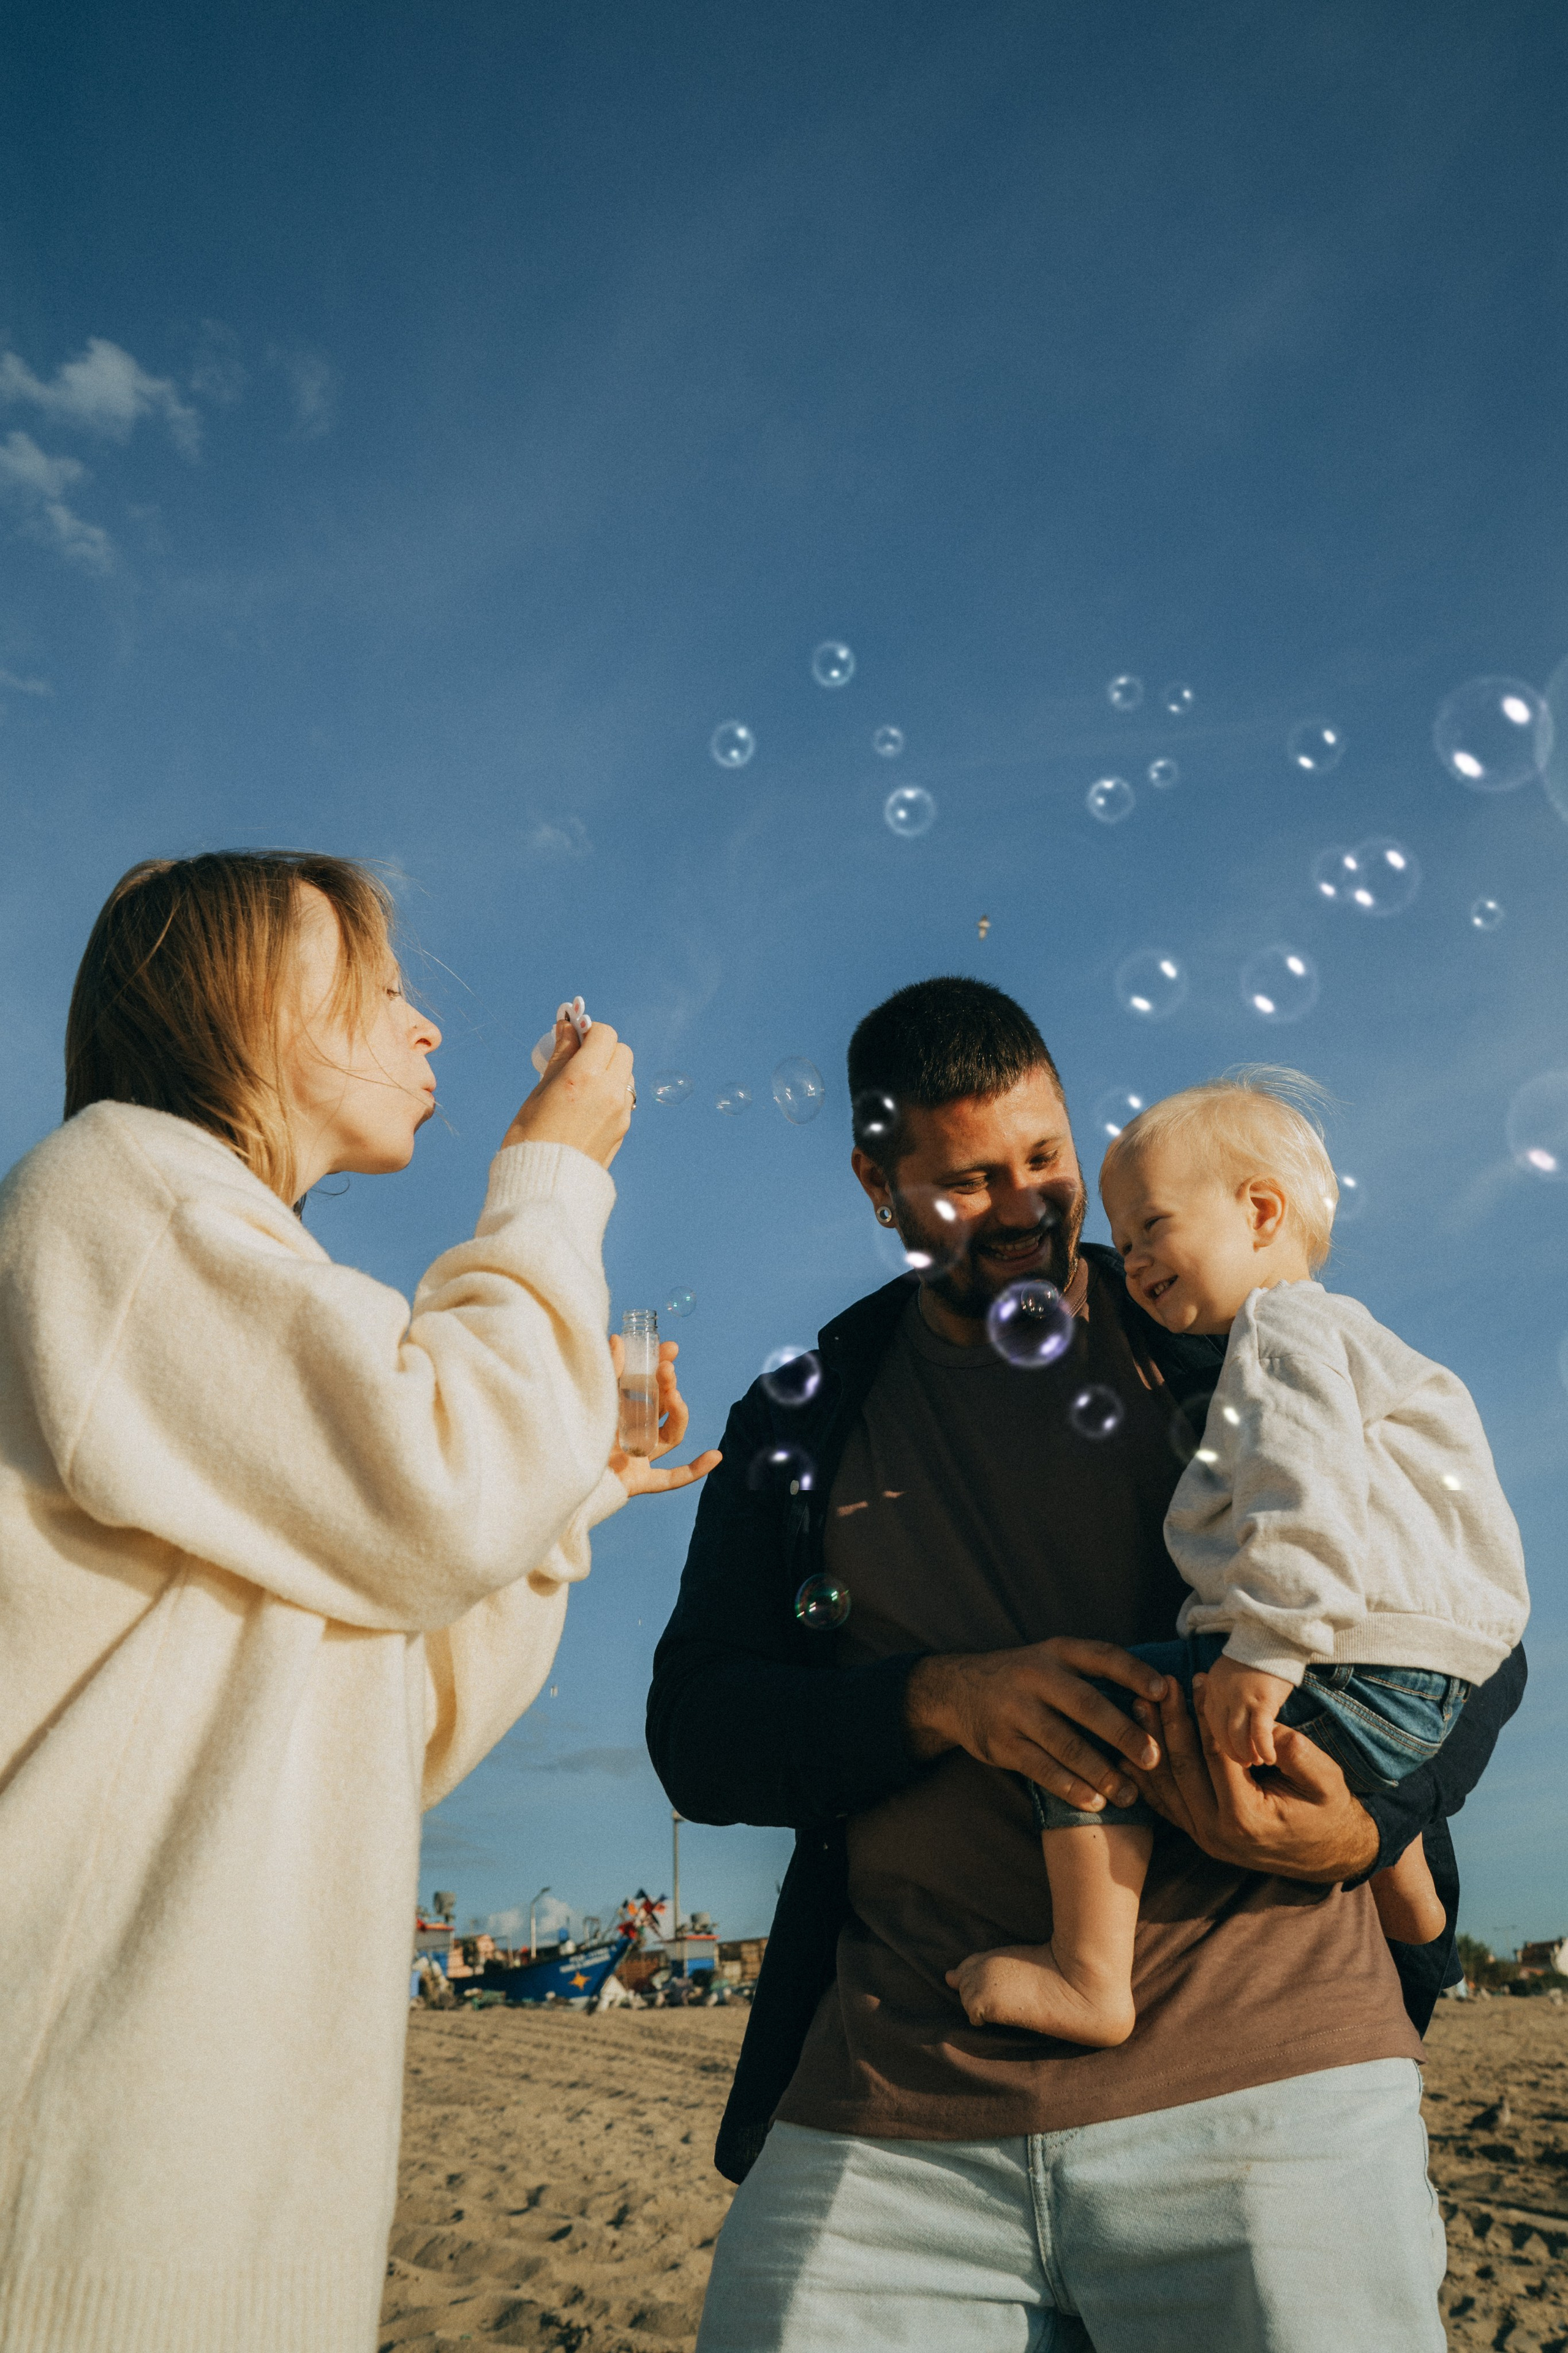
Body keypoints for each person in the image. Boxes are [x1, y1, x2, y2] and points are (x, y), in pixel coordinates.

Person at [647, 976, 1526, 2353]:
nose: (1022, 1204)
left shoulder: (1233, 1339)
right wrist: (940, 1701)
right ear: (878, 1186)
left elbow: (1462, 1610)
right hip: (893, 2110)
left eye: (1044, 1157)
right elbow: (697, 1733)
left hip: (1271, 2095)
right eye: (963, 1180)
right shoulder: (797, 1423)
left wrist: (1370, 1820)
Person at [0, 852, 715, 2353]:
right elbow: (434, 1481)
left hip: (222, 2188)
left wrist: (558, 1494)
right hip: (77, 2184)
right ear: (252, 1002)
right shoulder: (122, 1185)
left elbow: (403, 1719)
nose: (429, 1026)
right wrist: (552, 1173)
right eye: (385, 988)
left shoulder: (223, 1253)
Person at [949, 1070, 1528, 2050]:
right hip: (1429, 1680)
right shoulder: (1366, 1340)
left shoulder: (1280, 1328)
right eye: (1123, 1240)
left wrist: (1267, 1647)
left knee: (1084, 1733)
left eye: (1153, 1228)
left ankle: (1089, 1975)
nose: (1131, 1260)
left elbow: (1301, 1491)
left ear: (1261, 1210)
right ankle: (1414, 1897)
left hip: (1332, 1660)